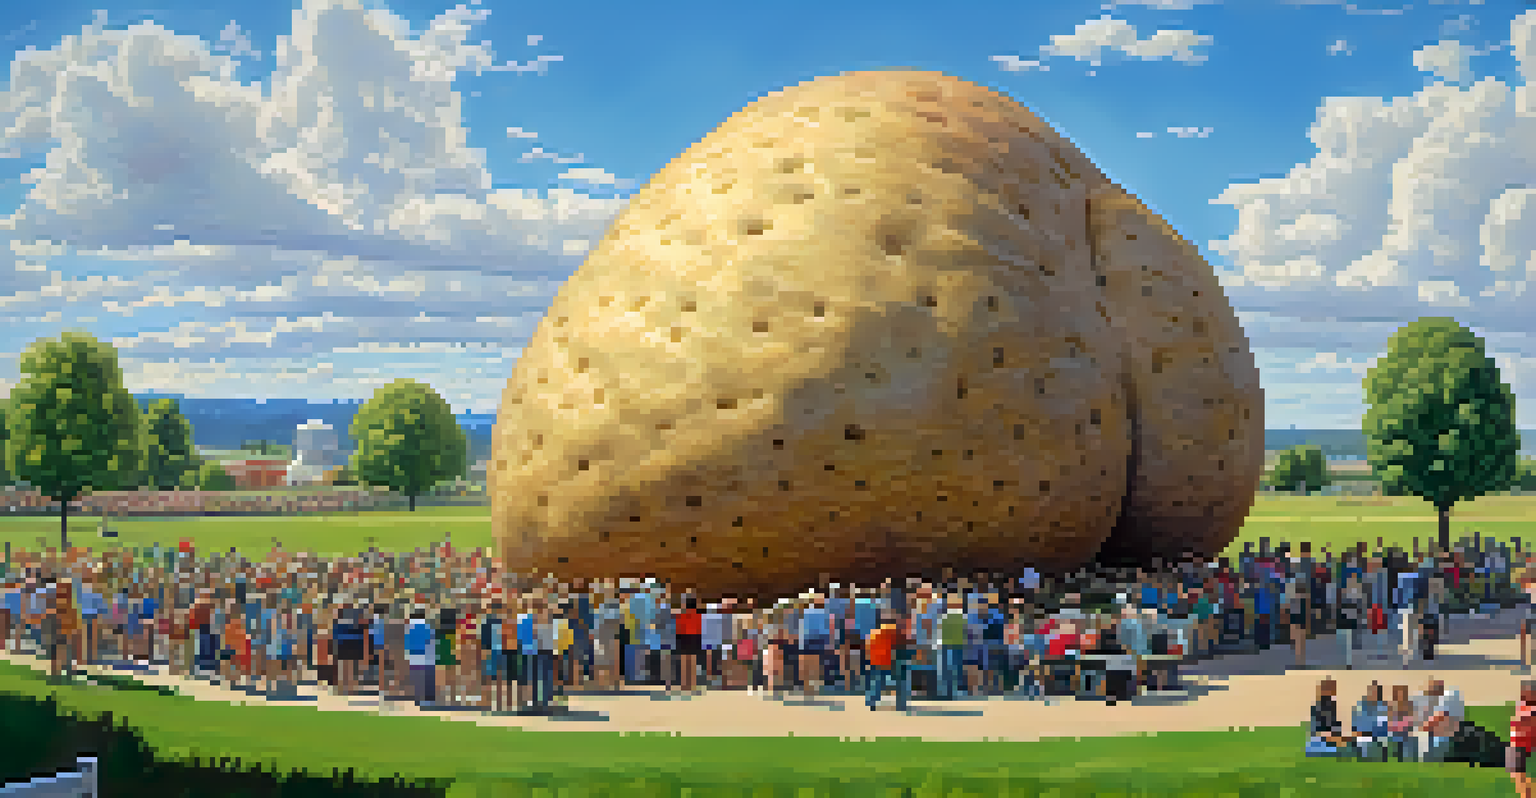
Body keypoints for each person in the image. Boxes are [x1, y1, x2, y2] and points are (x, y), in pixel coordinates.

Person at [1411, 677, 1464, 762]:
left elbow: (1439, 717)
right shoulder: (1440, 701)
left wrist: (1424, 726)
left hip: (1444, 733)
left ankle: (1428, 756)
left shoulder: (1448, 698)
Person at [1305, 678, 1355, 757]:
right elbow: (1319, 731)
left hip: (1327, 738)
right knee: (1346, 749)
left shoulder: (1331, 704)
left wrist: (1341, 736)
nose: (1333, 692)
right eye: (1331, 689)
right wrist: (1337, 738)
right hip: (1319, 742)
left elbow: (1332, 725)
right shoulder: (1320, 706)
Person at [1351, 681, 1392, 761]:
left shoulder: (1382, 707)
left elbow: (1383, 726)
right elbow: (1356, 721)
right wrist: (1357, 731)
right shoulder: (1361, 705)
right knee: (1361, 742)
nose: (1373, 694)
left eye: (1375, 692)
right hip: (1363, 735)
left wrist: (1372, 732)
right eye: (1371, 691)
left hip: (1378, 736)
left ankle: (1379, 755)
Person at [1509, 680, 1536, 798]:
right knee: (1519, 782)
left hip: (1525, 748)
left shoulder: (1529, 709)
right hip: (1517, 747)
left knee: (1523, 782)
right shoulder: (1521, 706)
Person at [405, 607, 435, 705]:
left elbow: (407, 643)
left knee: (417, 677)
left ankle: (418, 697)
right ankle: (429, 697)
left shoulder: (410, 628)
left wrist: (407, 655)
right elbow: (431, 642)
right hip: (426, 655)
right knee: (427, 677)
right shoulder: (427, 627)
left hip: (414, 655)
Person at [675, 595, 703, 697]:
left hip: (683, 638)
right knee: (692, 662)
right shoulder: (699, 616)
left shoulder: (681, 615)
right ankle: (693, 685)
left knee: (684, 662)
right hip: (695, 638)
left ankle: (684, 685)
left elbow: (678, 629)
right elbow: (701, 630)